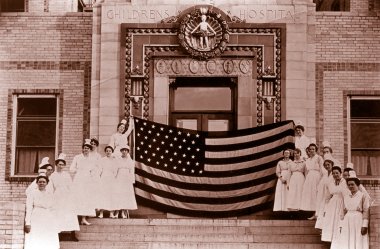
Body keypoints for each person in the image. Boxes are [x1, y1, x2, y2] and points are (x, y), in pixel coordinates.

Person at [331, 174, 369, 249]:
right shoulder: (346, 197)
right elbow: (343, 212)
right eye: (349, 185)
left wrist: (364, 225)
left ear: (357, 185)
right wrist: (341, 225)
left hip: (358, 220)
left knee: (358, 239)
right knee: (346, 239)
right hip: (347, 220)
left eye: (352, 184)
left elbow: (366, 210)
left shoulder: (363, 196)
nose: (350, 186)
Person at [49, 153, 79, 241]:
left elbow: (71, 186)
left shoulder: (66, 175)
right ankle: (58, 235)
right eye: (59, 164)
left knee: (70, 213)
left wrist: (72, 197)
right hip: (57, 196)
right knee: (58, 214)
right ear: (56, 165)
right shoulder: (52, 176)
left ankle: (72, 235)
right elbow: (51, 188)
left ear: (64, 165)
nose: (61, 166)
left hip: (67, 196)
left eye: (62, 164)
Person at [24, 173, 59, 249]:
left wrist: (55, 221)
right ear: (37, 183)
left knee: (47, 236)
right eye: (40, 182)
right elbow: (29, 208)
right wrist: (27, 222)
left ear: (47, 183)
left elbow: (53, 208)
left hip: (48, 217)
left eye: (43, 182)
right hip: (36, 216)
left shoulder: (50, 194)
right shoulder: (32, 193)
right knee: (36, 236)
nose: (42, 183)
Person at [70, 139, 97, 225]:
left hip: (88, 180)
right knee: (78, 197)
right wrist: (78, 170)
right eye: (85, 148)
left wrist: (93, 180)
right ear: (82, 149)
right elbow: (71, 169)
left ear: (90, 149)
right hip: (79, 179)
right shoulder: (77, 157)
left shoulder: (92, 159)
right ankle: (75, 219)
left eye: (88, 148)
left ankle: (83, 218)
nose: (86, 150)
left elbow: (93, 171)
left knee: (86, 198)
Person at [321, 166, 348, 243]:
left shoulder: (345, 182)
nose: (335, 175)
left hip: (341, 202)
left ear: (340, 173)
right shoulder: (330, 183)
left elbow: (347, 194)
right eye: (333, 173)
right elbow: (327, 197)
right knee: (331, 221)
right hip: (332, 204)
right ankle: (331, 240)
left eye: (337, 173)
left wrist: (345, 207)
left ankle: (339, 241)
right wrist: (325, 209)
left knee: (339, 221)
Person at [113, 144, 137, 218]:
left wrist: (131, 181)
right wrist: (114, 179)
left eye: (126, 150)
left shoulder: (131, 161)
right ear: (121, 151)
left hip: (127, 179)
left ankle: (123, 212)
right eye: (123, 150)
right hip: (119, 178)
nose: (124, 152)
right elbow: (115, 170)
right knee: (118, 194)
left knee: (125, 195)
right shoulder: (117, 160)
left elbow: (132, 171)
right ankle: (116, 212)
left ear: (128, 152)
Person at [300, 143, 324, 218]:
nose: (311, 150)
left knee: (317, 194)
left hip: (317, 176)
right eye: (310, 149)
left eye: (313, 149)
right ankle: (313, 213)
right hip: (309, 178)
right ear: (308, 150)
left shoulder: (319, 158)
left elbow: (321, 169)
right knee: (310, 195)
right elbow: (306, 171)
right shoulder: (307, 160)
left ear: (316, 150)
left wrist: (321, 180)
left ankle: (317, 214)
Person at [97, 146, 118, 218]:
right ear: (105, 152)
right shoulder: (102, 160)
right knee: (103, 195)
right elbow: (100, 169)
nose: (108, 152)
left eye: (110, 151)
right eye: (107, 151)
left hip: (111, 179)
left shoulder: (114, 160)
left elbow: (115, 171)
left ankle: (111, 213)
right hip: (104, 178)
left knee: (111, 195)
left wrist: (114, 178)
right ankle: (101, 213)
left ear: (112, 152)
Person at [315, 154, 334, 229]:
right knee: (322, 212)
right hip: (324, 196)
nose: (327, 166)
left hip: (331, 197)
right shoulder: (325, 175)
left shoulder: (334, 174)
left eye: (328, 165)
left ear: (332, 165)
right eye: (325, 165)